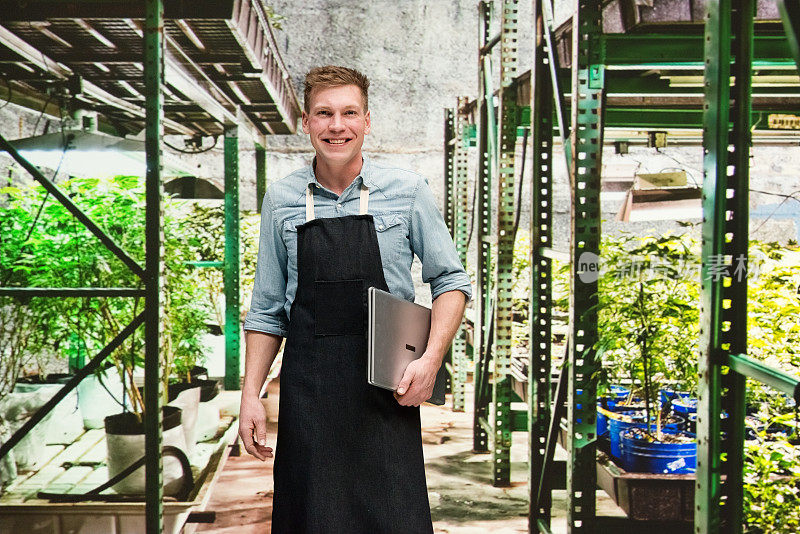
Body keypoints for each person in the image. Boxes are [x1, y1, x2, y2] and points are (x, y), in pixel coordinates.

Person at [238, 65, 472, 534]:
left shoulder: (406, 192)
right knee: (312, 517)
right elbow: (266, 309)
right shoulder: (282, 199)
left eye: (349, 113)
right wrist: (251, 396)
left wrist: (429, 361)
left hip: (385, 391)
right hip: (310, 394)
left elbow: (451, 281)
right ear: (306, 122)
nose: (336, 125)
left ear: (367, 121)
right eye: (324, 114)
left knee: (390, 517)